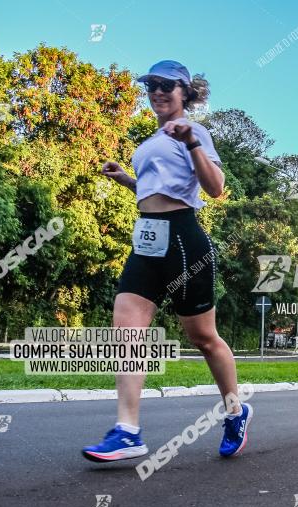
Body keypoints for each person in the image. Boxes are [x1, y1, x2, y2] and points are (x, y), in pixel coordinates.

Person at [83, 60, 251, 462]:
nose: (157, 91)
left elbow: (215, 189)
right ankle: (127, 431)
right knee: (126, 330)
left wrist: (192, 140)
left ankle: (235, 410)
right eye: (151, 85)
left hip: (182, 239)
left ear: (185, 93)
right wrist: (127, 179)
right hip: (147, 239)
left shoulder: (195, 132)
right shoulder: (152, 139)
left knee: (203, 338)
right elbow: (155, 189)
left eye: (166, 85)